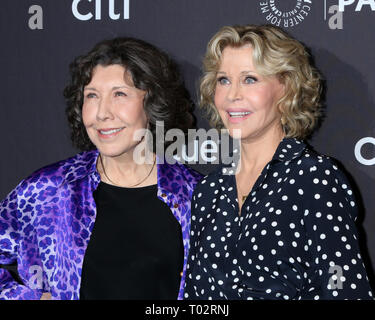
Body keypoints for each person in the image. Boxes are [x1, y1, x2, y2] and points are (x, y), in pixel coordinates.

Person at [0, 37, 202, 300]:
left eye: (120, 94)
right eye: (92, 96)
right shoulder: (48, 189)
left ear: (152, 104)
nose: (102, 113)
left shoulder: (195, 196)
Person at [183, 24, 374, 300]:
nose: (232, 94)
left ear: (286, 89)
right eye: (223, 80)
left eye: (250, 79)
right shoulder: (208, 191)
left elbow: (344, 288)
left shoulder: (313, 179)